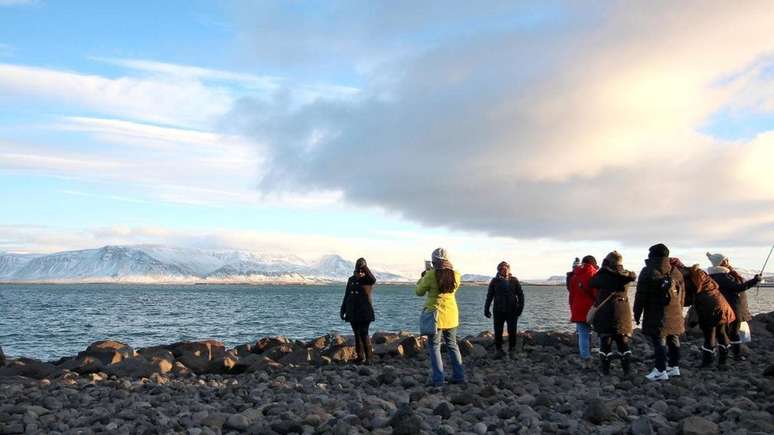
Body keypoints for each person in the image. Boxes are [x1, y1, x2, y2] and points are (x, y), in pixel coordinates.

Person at [634, 243, 685, 381]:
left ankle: (660, 370)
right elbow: (682, 294)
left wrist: (636, 314)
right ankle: (674, 367)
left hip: (656, 313)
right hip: (675, 312)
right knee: (673, 338)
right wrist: (680, 311)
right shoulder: (676, 271)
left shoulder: (648, 271)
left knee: (659, 341)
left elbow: (640, 296)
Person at [672, 258, 736, 369]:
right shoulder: (698, 272)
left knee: (709, 334)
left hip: (707, 307)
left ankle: (708, 362)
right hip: (720, 303)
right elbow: (713, 285)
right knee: (721, 332)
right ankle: (723, 362)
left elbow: (688, 297)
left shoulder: (685, 278)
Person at [416, 247, 465, 386]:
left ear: (434, 261)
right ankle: (459, 376)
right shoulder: (456, 275)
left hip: (435, 316)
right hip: (451, 315)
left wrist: (423, 277)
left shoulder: (431, 275)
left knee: (434, 347)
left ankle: (438, 380)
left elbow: (419, 291)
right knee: (452, 345)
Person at [706, 252, 761, 361]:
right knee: (734, 333)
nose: (728, 262)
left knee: (723, 333)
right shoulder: (722, 276)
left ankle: (722, 355)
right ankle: (735, 355)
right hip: (731, 308)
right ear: (720, 262)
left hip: (720, 309)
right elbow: (738, 287)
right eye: (725, 260)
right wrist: (755, 280)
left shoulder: (712, 276)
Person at [589, 251, 636, 375]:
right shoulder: (626, 275)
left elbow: (592, 282)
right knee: (623, 343)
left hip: (605, 314)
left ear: (606, 262)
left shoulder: (602, 276)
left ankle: (605, 371)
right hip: (622, 313)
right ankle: (627, 370)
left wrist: (603, 269)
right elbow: (633, 275)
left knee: (605, 343)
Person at [484, 261, 525, 359]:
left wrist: (520, 307)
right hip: (498, 310)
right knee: (498, 331)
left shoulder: (514, 280)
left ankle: (512, 351)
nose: (504, 270)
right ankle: (499, 351)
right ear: (499, 270)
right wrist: (486, 309)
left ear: (509, 269)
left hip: (512, 310)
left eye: (506, 268)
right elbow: (489, 296)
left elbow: (520, 295)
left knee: (512, 331)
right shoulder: (494, 281)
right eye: (502, 269)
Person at [340, 258, 376, 364]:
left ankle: (369, 358)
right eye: (358, 266)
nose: (359, 270)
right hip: (352, 310)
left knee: (364, 333)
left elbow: (373, 279)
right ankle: (360, 357)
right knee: (356, 333)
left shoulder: (367, 279)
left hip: (365, 311)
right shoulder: (351, 279)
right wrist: (343, 309)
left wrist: (364, 267)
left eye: (361, 267)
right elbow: (346, 295)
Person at [567, 255, 599, 366]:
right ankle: (599, 351)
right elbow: (597, 294)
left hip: (578, 308)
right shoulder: (594, 274)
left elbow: (571, 295)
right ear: (593, 264)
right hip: (592, 309)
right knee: (599, 331)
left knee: (582, 334)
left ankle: (585, 357)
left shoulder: (575, 276)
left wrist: (572, 308)